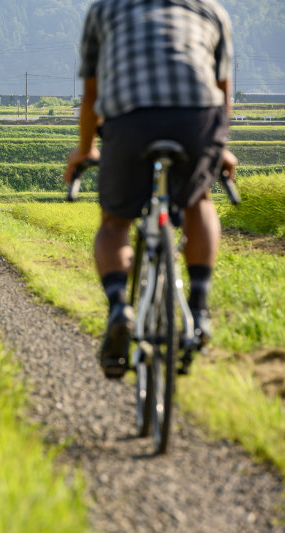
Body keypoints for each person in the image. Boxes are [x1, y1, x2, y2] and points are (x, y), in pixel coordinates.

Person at [64, 0, 237, 379]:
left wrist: (85, 149)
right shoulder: (211, 10)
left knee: (114, 222)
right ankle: (200, 307)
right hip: (198, 118)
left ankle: (118, 308)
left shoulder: (104, 10)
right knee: (199, 201)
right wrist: (219, 147)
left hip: (130, 119)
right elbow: (222, 90)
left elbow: (91, 96)